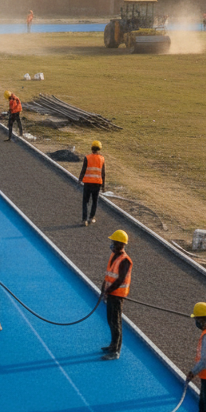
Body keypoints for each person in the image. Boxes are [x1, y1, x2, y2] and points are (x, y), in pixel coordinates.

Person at [100, 230, 132, 360]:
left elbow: (120, 280)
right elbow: (109, 274)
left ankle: (116, 351)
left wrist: (109, 290)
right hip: (110, 293)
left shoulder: (125, 260)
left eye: (114, 242)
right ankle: (112, 345)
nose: (112, 244)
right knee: (110, 320)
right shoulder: (114, 256)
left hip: (117, 296)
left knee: (116, 322)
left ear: (120, 244)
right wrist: (104, 288)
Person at [79, 141, 106, 226]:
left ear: (92, 148)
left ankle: (84, 220)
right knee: (95, 201)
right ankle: (91, 217)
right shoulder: (102, 159)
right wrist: (103, 186)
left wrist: (80, 179)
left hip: (87, 183)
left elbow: (84, 169)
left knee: (85, 202)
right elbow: (103, 173)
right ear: (99, 149)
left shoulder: (87, 157)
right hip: (97, 184)